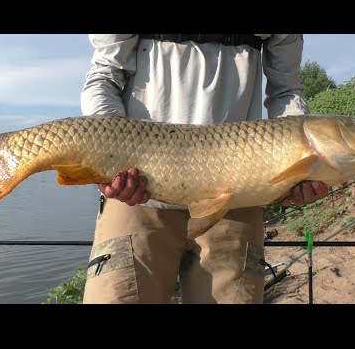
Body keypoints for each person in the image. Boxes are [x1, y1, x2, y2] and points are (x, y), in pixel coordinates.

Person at [80, 34, 328, 304]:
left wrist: (297, 164)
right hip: (137, 197)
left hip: (236, 198)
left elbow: (286, 90)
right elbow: (105, 75)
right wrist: (111, 157)